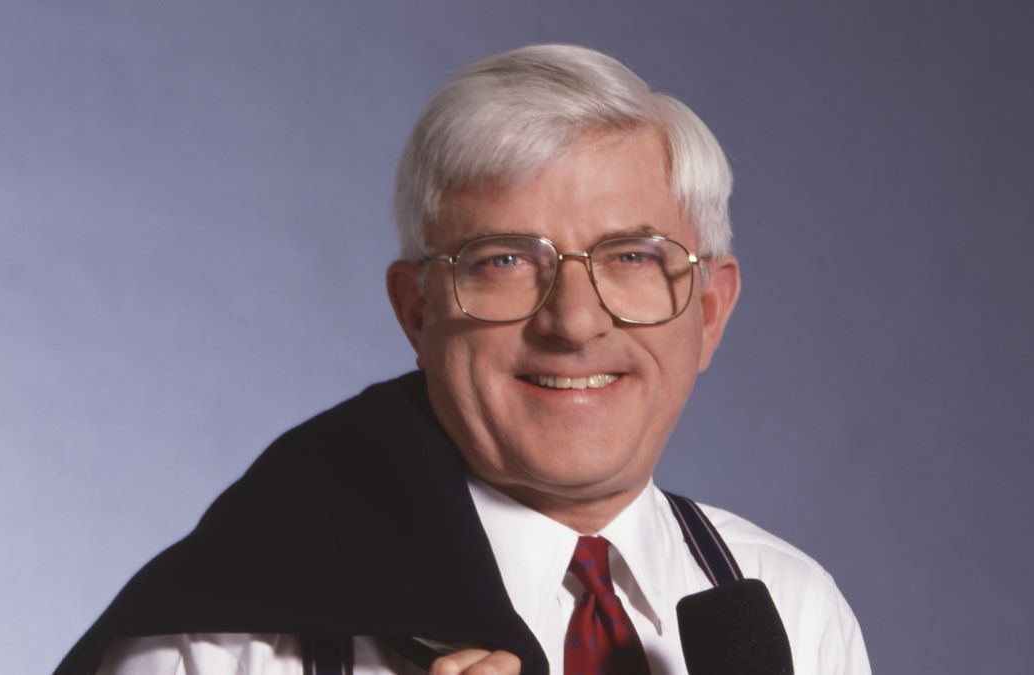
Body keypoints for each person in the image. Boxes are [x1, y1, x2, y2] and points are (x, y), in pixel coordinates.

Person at [56, 44, 871, 675]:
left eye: (632, 256)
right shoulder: (224, 641)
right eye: (505, 261)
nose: (575, 322)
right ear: (417, 311)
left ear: (712, 311)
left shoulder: (792, 610)